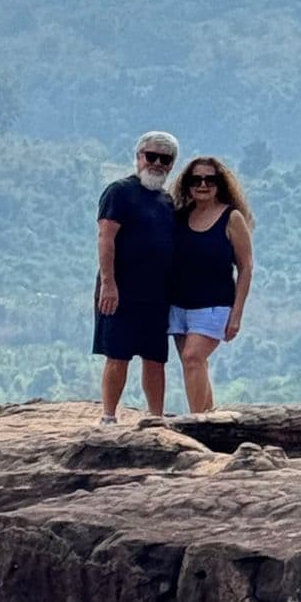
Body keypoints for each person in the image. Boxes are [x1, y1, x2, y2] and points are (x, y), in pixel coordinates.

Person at [93, 132, 179, 424]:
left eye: (164, 159)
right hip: (120, 290)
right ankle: (108, 417)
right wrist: (108, 283)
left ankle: (155, 418)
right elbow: (106, 237)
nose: (156, 163)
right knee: (118, 354)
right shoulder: (119, 192)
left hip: (157, 293)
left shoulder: (168, 201)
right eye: (150, 156)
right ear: (138, 157)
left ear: (171, 164)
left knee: (156, 357)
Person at [168, 155, 254, 413]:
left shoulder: (231, 218)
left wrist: (236, 314)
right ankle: (208, 419)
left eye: (209, 179)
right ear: (187, 184)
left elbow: (246, 267)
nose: (203, 185)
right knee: (194, 364)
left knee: (193, 357)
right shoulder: (180, 217)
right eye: (196, 180)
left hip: (215, 306)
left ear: (220, 184)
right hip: (179, 304)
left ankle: (196, 423)